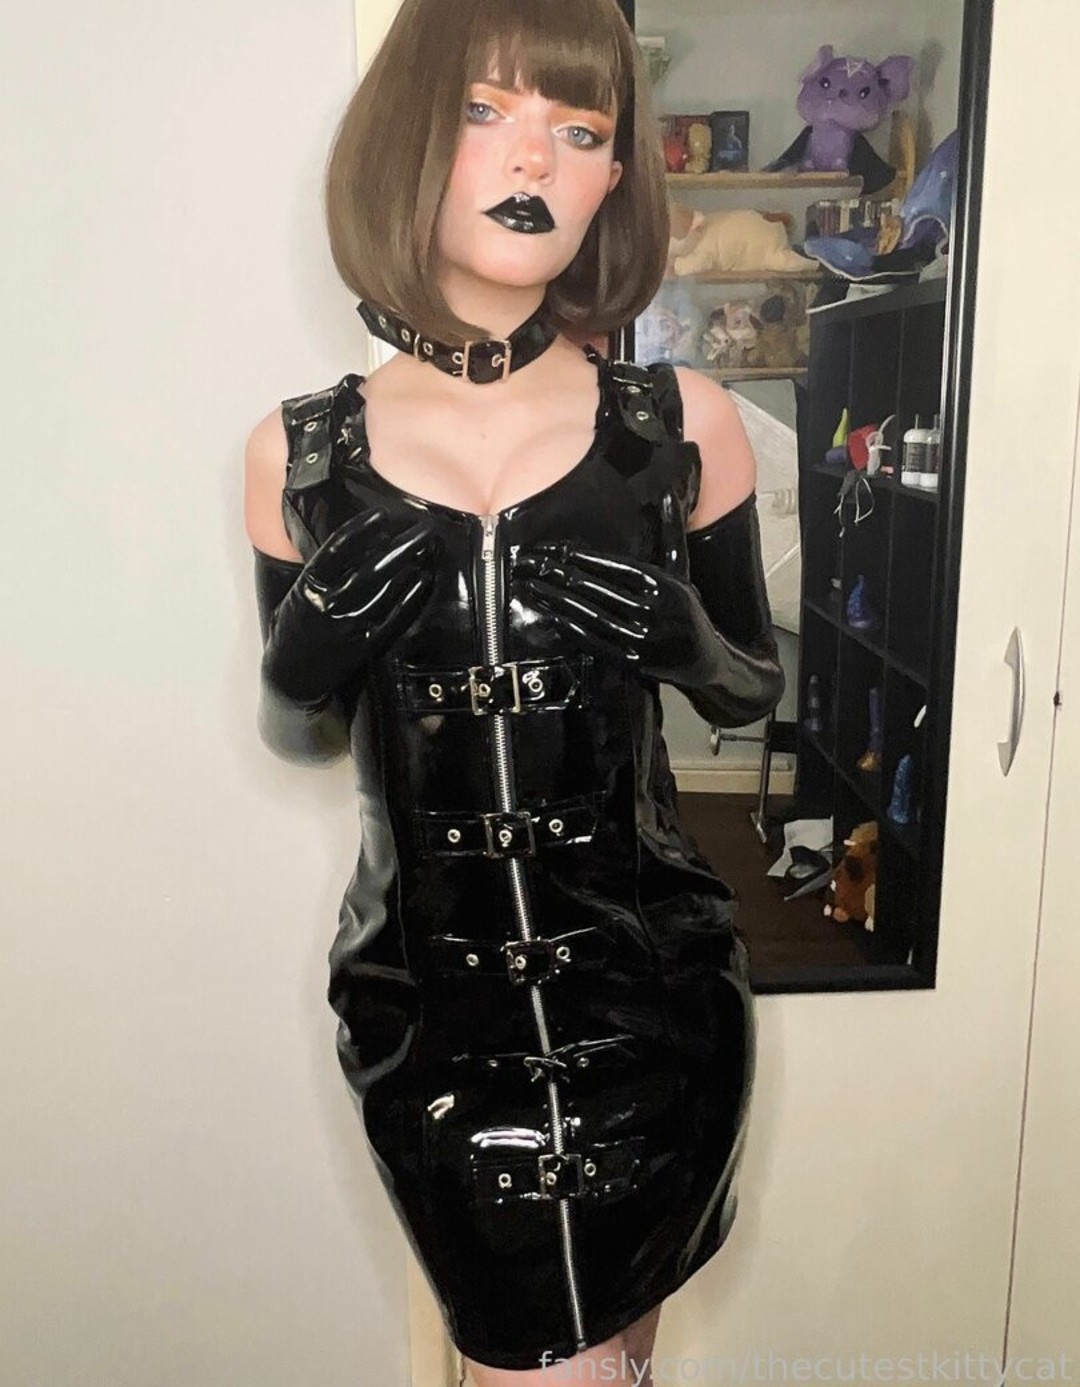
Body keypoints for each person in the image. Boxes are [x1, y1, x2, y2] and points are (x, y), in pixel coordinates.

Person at [243, 1, 784, 1382]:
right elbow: (302, 737)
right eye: (486, 111)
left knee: (614, 1356)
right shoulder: (301, 455)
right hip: (431, 1027)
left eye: (580, 130)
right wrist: (304, 654)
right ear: (408, 143)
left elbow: (749, 693)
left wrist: (685, 640)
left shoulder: (679, 426)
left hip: (656, 1013)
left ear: (613, 181)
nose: (534, 157)